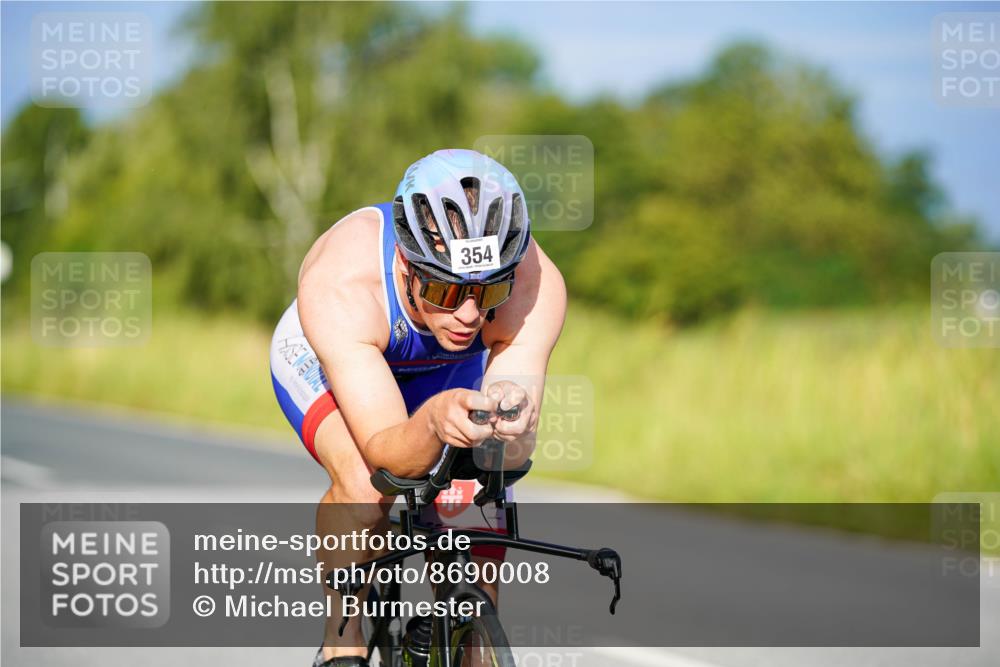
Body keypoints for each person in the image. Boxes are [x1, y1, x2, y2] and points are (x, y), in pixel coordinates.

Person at [269, 149, 567, 666]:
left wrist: (510, 418)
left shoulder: (534, 284)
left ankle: (469, 642)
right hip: (341, 356)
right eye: (445, 289)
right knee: (367, 483)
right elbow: (389, 454)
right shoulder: (341, 280)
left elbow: (513, 447)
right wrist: (431, 420)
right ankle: (343, 639)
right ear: (407, 263)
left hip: (447, 374)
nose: (470, 315)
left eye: (488, 289)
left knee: (481, 476)